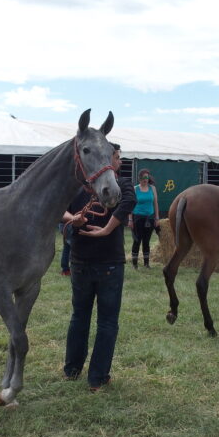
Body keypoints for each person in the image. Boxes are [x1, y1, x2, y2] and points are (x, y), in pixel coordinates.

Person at [61, 144, 136, 391]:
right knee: (106, 322)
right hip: (107, 265)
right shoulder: (119, 184)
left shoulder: (82, 186)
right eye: (117, 157)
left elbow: (128, 202)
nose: (120, 162)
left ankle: (72, 370)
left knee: (79, 317)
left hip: (82, 262)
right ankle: (97, 378)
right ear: (107, 158)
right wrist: (74, 219)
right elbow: (129, 200)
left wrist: (86, 223)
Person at [128, 168, 160, 269]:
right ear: (139, 178)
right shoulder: (135, 189)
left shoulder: (152, 188)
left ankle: (146, 264)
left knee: (146, 241)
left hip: (149, 218)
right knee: (137, 240)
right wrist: (130, 220)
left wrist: (157, 218)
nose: (145, 179)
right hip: (137, 218)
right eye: (143, 177)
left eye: (146, 177)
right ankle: (135, 264)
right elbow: (130, 205)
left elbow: (155, 204)